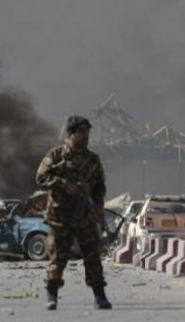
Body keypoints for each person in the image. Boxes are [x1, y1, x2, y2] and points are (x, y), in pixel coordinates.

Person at [36, 115, 111, 310]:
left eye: (87, 132)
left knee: (93, 257)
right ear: (71, 134)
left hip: (85, 217)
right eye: (82, 132)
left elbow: (100, 186)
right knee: (57, 259)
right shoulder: (56, 155)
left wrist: (97, 206)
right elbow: (41, 177)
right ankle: (52, 295)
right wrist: (63, 184)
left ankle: (100, 296)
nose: (86, 136)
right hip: (60, 217)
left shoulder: (92, 159)